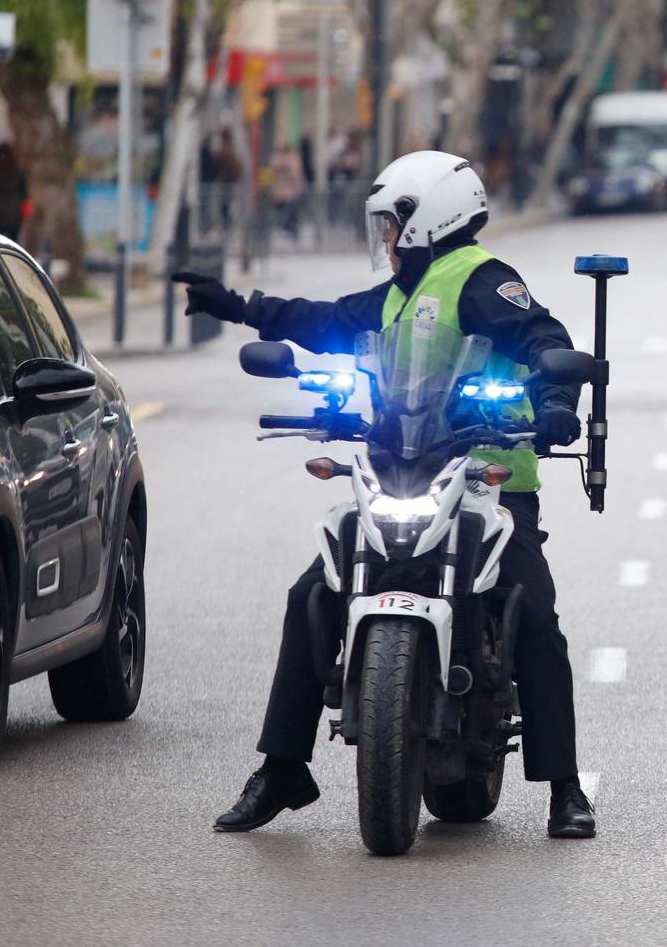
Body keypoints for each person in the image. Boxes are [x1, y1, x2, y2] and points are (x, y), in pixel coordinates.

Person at [174, 150, 598, 839]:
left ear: (432, 215)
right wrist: (239, 307)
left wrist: (553, 400)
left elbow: (545, 337)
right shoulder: (399, 291)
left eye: (394, 223)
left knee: (537, 618)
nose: (387, 239)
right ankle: (283, 765)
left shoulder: (483, 279)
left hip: (486, 484)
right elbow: (325, 319)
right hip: (400, 469)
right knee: (310, 594)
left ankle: (565, 787)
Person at [0, 142, 28, 242]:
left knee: (1, 239)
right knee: (14, 239)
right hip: (15, 212)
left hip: (0, 212)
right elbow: (24, 193)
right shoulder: (18, 171)